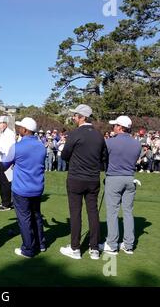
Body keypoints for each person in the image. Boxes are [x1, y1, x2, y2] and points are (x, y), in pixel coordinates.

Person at [60, 104, 107, 260]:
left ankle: (75, 248)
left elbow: (65, 155)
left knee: (76, 213)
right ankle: (94, 248)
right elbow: (104, 157)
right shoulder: (99, 135)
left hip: (76, 178)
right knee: (93, 212)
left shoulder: (75, 134)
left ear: (83, 117)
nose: (74, 117)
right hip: (93, 179)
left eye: (76, 115)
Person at [2, 117, 47, 258]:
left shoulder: (17, 146)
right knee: (36, 215)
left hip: (22, 189)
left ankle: (28, 249)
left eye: (20, 127)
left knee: (24, 219)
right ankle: (41, 244)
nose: (19, 129)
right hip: (37, 187)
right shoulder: (41, 146)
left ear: (25, 130)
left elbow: (4, 164)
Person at [99, 116, 141, 255]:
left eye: (115, 125)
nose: (113, 128)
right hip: (130, 179)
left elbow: (103, 159)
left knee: (112, 212)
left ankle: (112, 244)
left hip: (114, 178)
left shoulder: (110, 142)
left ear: (120, 127)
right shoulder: (137, 144)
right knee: (128, 212)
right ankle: (128, 245)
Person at [0, 116, 16, 211]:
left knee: (5, 182)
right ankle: (4, 200)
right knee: (0, 181)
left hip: (6, 161)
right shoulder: (2, 133)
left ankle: (7, 203)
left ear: (5, 123)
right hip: (0, 160)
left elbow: (10, 148)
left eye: (0, 123)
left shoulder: (10, 133)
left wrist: (0, 150)